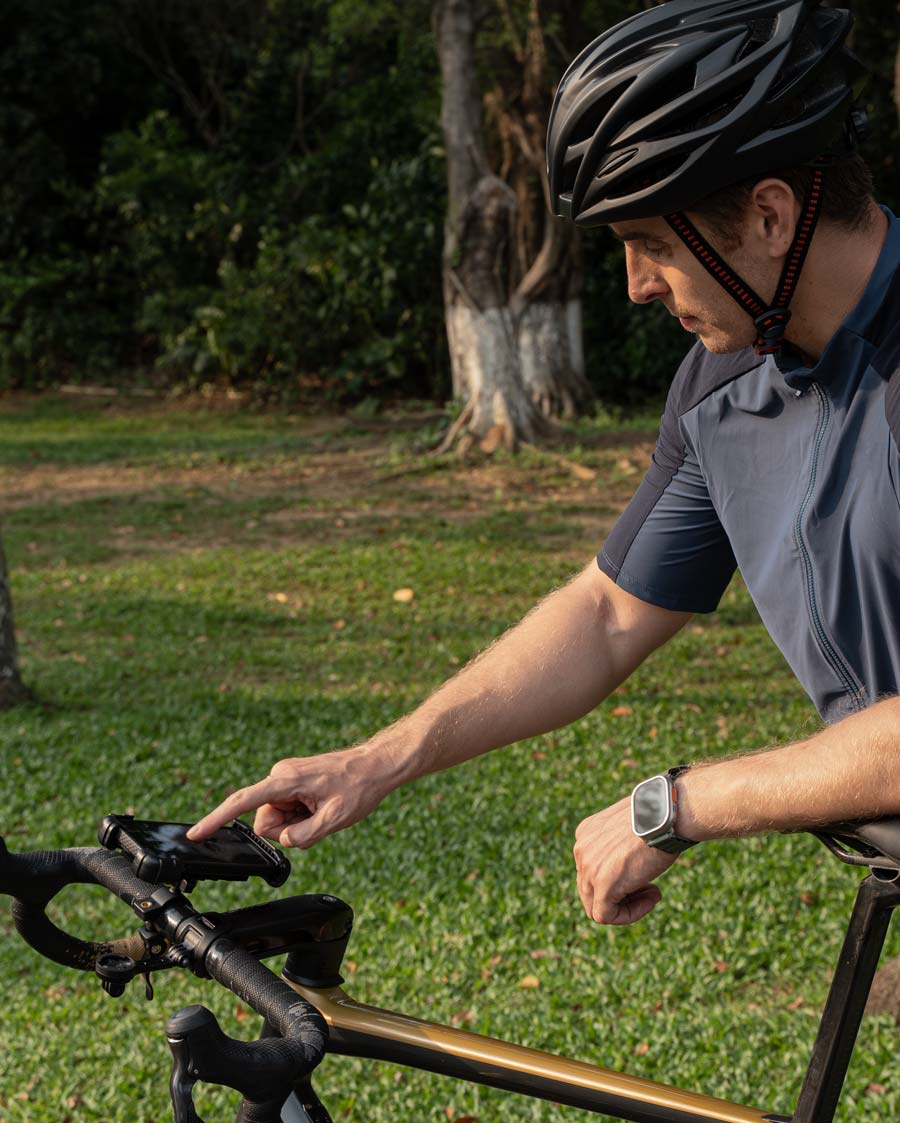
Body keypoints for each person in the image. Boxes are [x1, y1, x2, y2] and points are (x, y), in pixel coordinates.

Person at [190, 0, 900, 927]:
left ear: (769, 215)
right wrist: (378, 759)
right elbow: (607, 613)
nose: (636, 286)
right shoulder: (724, 383)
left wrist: (678, 803)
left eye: (652, 245)